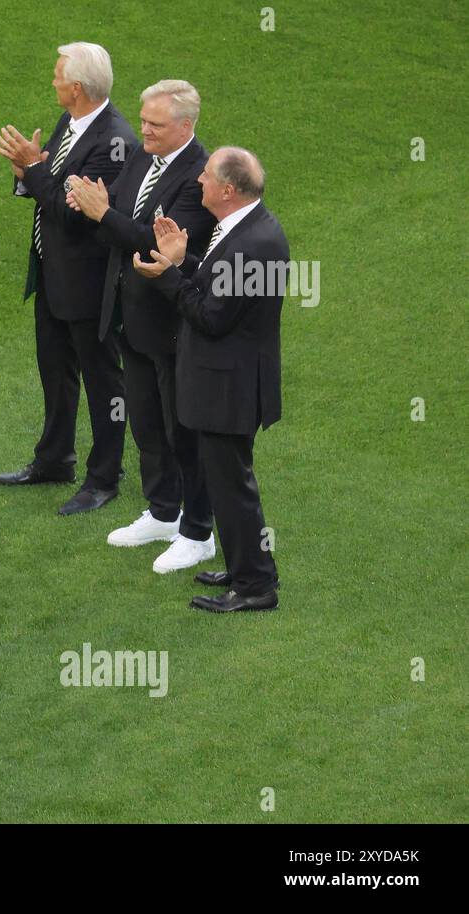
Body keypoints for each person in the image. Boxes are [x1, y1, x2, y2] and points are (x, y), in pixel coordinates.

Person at [65, 80, 218, 572]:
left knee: (183, 430)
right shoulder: (144, 158)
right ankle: (163, 511)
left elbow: (158, 245)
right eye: (144, 120)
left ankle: (199, 532)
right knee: (149, 425)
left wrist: (102, 212)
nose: (144, 130)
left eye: (155, 124)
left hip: (172, 324)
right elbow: (122, 219)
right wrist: (96, 205)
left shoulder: (200, 175)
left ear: (185, 126)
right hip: (130, 316)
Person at [131, 147, 287, 612]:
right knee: (228, 483)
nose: (198, 180)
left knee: (231, 486)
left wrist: (168, 274)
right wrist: (186, 262)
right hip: (229, 382)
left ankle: (256, 587)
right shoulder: (249, 229)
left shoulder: (253, 243)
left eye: (205, 175)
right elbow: (220, 292)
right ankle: (248, 567)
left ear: (227, 189)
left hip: (228, 387)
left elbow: (212, 317)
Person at [0, 42, 137, 515]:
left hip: (89, 285)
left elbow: (74, 214)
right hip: (54, 276)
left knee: (101, 381)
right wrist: (26, 172)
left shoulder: (113, 142)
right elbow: (49, 189)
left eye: (57, 75)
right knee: (56, 374)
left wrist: (34, 169)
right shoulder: (74, 123)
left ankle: (104, 476)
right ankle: (54, 460)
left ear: (76, 88)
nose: (52, 81)